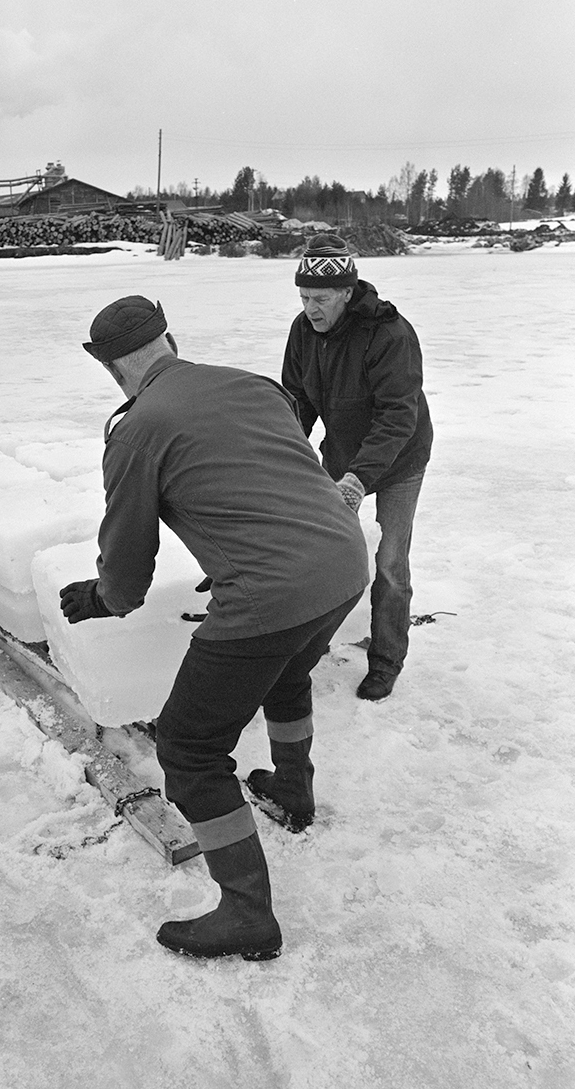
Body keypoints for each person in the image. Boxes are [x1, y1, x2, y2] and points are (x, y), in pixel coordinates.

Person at [59, 296, 369, 961]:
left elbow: (127, 569)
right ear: (170, 340)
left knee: (189, 750)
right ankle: (292, 790)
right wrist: (239, 554)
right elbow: (277, 479)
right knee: (287, 673)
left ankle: (247, 914)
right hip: (343, 564)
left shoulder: (137, 430)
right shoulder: (252, 386)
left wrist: (101, 599)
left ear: (111, 368)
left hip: (270, 594)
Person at [282, 234, 433, 701]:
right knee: (324, 551)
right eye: (304, 297)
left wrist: (359, 477)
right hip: (343, 452)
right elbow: (297, 400)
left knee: (389, 563)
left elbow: (398, 416)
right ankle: (310, 647)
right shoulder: (303, 331)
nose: (310, 308)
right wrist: (282, 450)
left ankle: (386, 660)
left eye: (320, 298)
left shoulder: (389, 334)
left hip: (400, 458)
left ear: (347, 292)